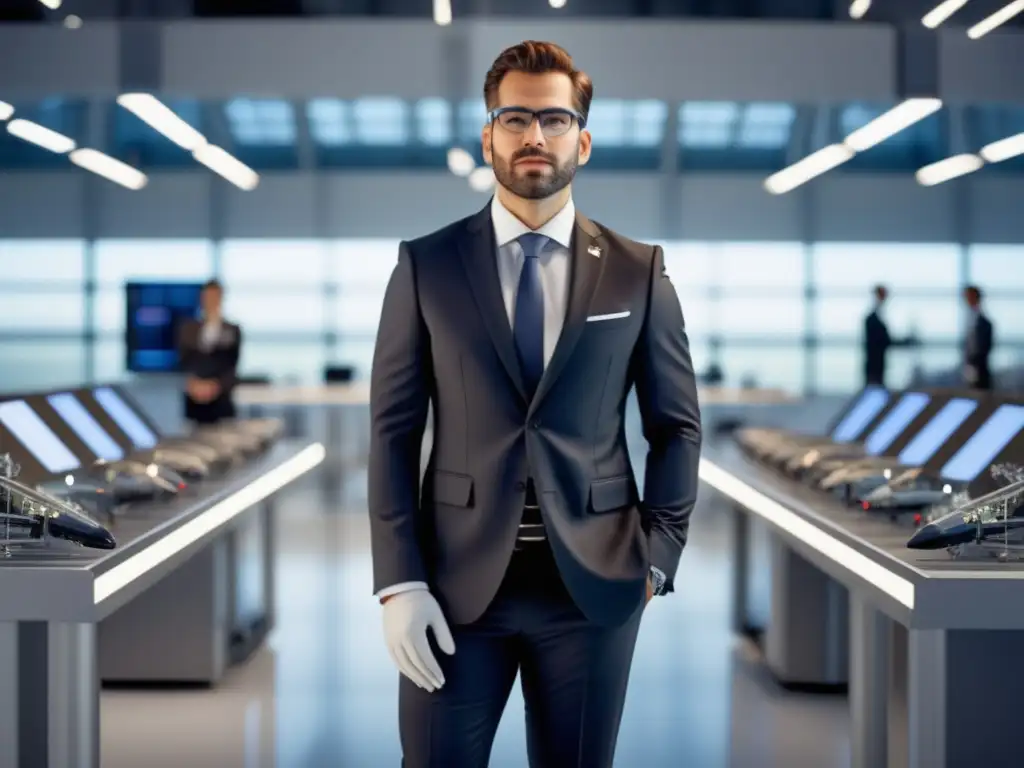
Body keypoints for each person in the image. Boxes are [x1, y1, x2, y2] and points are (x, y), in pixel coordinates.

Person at [368, 40, 702, 768]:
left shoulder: (637, 270)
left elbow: (676, 427)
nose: (534, 136)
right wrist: (398, 580)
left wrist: (660, 554)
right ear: (487, 135)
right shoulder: (425, 264)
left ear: (582, 138)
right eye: (514, 117)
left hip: (594, 587)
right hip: (453, 589)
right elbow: (393, 434)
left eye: (553, 119)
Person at [176, 278, 242, 424]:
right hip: (194, 402)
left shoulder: (232, 330)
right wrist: (194, 384)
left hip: (221, 402)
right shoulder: (187, 329)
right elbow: (183, 362)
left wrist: (216, 386)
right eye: (208, 296)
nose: (211, 300)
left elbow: (233, 366)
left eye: (215, 296)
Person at [862, 284, 917, 387]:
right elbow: (883, 341)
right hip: (874, 367)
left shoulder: (875, 317)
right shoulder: (872, 319)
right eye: (883, 295)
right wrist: (904, 342)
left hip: (877, 366)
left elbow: (884, 341)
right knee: (874, 391)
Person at [962, 284, 994, 390]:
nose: (967, 300)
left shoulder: (983, 322)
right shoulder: (970, 319)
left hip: (980, 368)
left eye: (969, 297)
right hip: (971, 366)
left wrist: (975, 362)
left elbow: (985, 346)